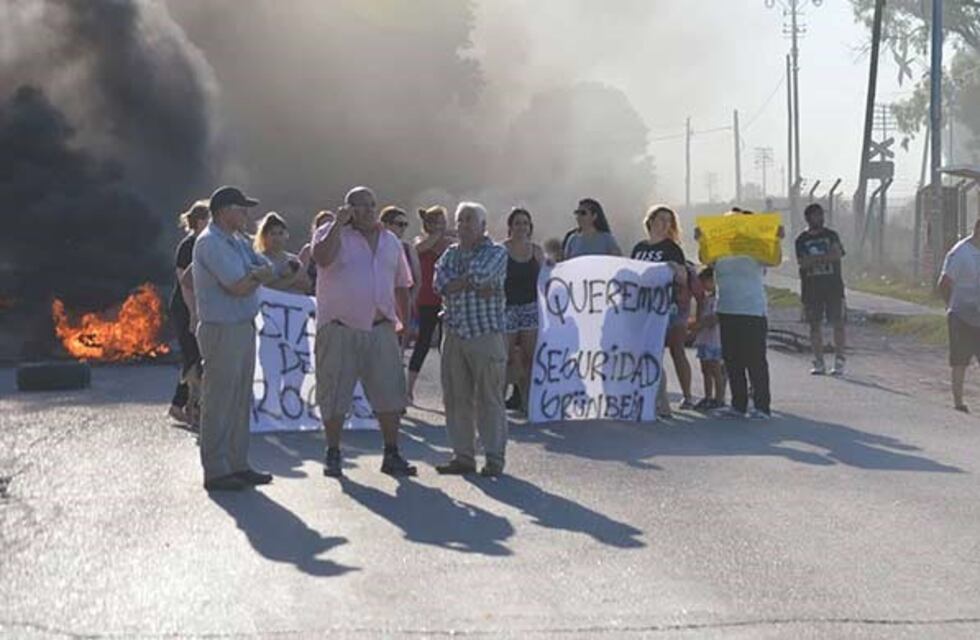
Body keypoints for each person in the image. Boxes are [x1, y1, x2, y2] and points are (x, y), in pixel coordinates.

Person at [311, 186, 416, 478]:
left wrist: (405, 324)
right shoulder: (332, 234)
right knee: (334, 393)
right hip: (340, 328)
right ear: (349, 209)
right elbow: (321, 258)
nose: (369, 210)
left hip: (381, 326)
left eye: (372, 205)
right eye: (361, 206)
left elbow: (401, 285)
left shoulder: (390, 240)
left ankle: (392, 452)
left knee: (390, 394)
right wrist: (336, 224)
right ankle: (333, 452)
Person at [192, 186, 277, 491]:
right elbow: (238, 286)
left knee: (240, 399)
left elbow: (264, 268)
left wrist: (257, 275)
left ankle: (237, 463)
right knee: (219, 399)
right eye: (241, 209)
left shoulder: (238, 241)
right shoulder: (211, 243)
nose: (246, 215)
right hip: (222, 328)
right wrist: (257, 276)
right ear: (224, 210)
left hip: (242, 326)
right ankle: (216, 469)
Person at [433, 202, 509, 477]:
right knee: (455, 397)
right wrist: (470, 284)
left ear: (483, 226)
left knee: (489, 398)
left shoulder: (497, 251)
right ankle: (463, 456)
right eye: (460, 220)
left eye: (469, 220)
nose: (463, 225)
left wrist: (460, 282)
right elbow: (439, 283)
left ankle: (494, 457)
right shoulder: (449, 253)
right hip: (454, 333)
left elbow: (481, 273)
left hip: (484, 334)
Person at [699, 208, 783, 420]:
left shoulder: (755, 248)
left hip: (752, 310)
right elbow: (705, 259)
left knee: (755, 359)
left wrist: (777, 239)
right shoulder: (721, 250)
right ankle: (739, 404)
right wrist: (703, 240)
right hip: (727, 308)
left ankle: (762, 406)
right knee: (732, 359)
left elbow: (774, 260)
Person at [631, 205, 695, 410]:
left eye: (669, 221)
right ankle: (654, 398)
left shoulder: (671, 248)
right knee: (648, 351)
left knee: (670, 350)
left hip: (668, 306)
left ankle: (679, 397)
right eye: (661, 219)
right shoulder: (639, 248)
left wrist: (675, 268)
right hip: (643, 306)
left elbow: (683, 278)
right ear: (650, 222)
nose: (665, 224)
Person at [167, 200, 209, 428]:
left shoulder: (209, 244)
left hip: (202, 307)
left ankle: (181, 405)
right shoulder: (188, 245)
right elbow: (185, 283)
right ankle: (188, 407)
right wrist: (193, 313)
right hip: (185, 307)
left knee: (195, 358)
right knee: (193, 357)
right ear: (200, 221)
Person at [407, 205, 453, 403]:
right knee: (422, 343)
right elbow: (422, 248)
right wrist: (439, 232)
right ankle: (408, 389)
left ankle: (450, 391)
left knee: (448, 348)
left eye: (444, 222)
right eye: (438, 222)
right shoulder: (420, 241)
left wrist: (452, 233)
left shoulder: (451, 243)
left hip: (448, 299)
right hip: (426, 300)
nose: (442, 226)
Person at [795, 203, 846, 375]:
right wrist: (825, 258)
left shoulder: (831, 235)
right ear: (808, 218)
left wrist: (815, 259)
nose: (820, 218)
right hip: (811, 288)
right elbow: (803, 262)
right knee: (814, 325)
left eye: (821, 215)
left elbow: (837, 254)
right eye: (816, 215)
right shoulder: (801, 240)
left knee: (837, 322)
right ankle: (819, 361)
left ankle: (839, 360)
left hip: (833, 286)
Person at [503, 208, 544, 413]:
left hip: (530, 308)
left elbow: (548, 279)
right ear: (510, 227)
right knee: (506, 356)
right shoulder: (501, 250)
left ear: (530, 227)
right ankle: (497, 402)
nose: (521, 227)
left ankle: (528, 401)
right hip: (507, 308)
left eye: (525, 223)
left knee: (530, 357)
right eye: (517, 223)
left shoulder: (536, 251)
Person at [938, 217, 980, 413]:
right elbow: (945, 283)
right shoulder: (960, 252)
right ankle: (959, 402)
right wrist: (951, 306)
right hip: (961, 314)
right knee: (960, 360)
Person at [380, 205, 422, 342]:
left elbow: (417, 278)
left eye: (405, 224)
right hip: (379, 305)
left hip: (401, 303)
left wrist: (410, 301)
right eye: (399, 224)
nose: (403, 228)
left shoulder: (407, 248)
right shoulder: (374, 245)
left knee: (399, 348)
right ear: (385, 224)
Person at [692, 266, 725, 410]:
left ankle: (719, 398)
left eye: (705, 282)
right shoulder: (705, 299)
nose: (703, 286)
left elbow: (715, 318)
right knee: (705, 369)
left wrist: (699, 325)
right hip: (704, 339)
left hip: (714, 339)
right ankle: (707, 396)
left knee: (715, 370)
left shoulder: (719, 299)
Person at [254, 211, 310, 293]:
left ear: (286, 235)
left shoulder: (293, 260)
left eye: (281, 233)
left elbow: (307, 285)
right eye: (273, 234)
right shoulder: (259, 260)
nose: (277, 238)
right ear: (264, 237)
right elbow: (267, 288)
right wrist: (292, 278)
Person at [297, 210, 335, 295]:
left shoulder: (343, 251)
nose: (327, 229)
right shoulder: (308, 250)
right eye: (323, 225)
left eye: (331, 225)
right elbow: (298, 276)